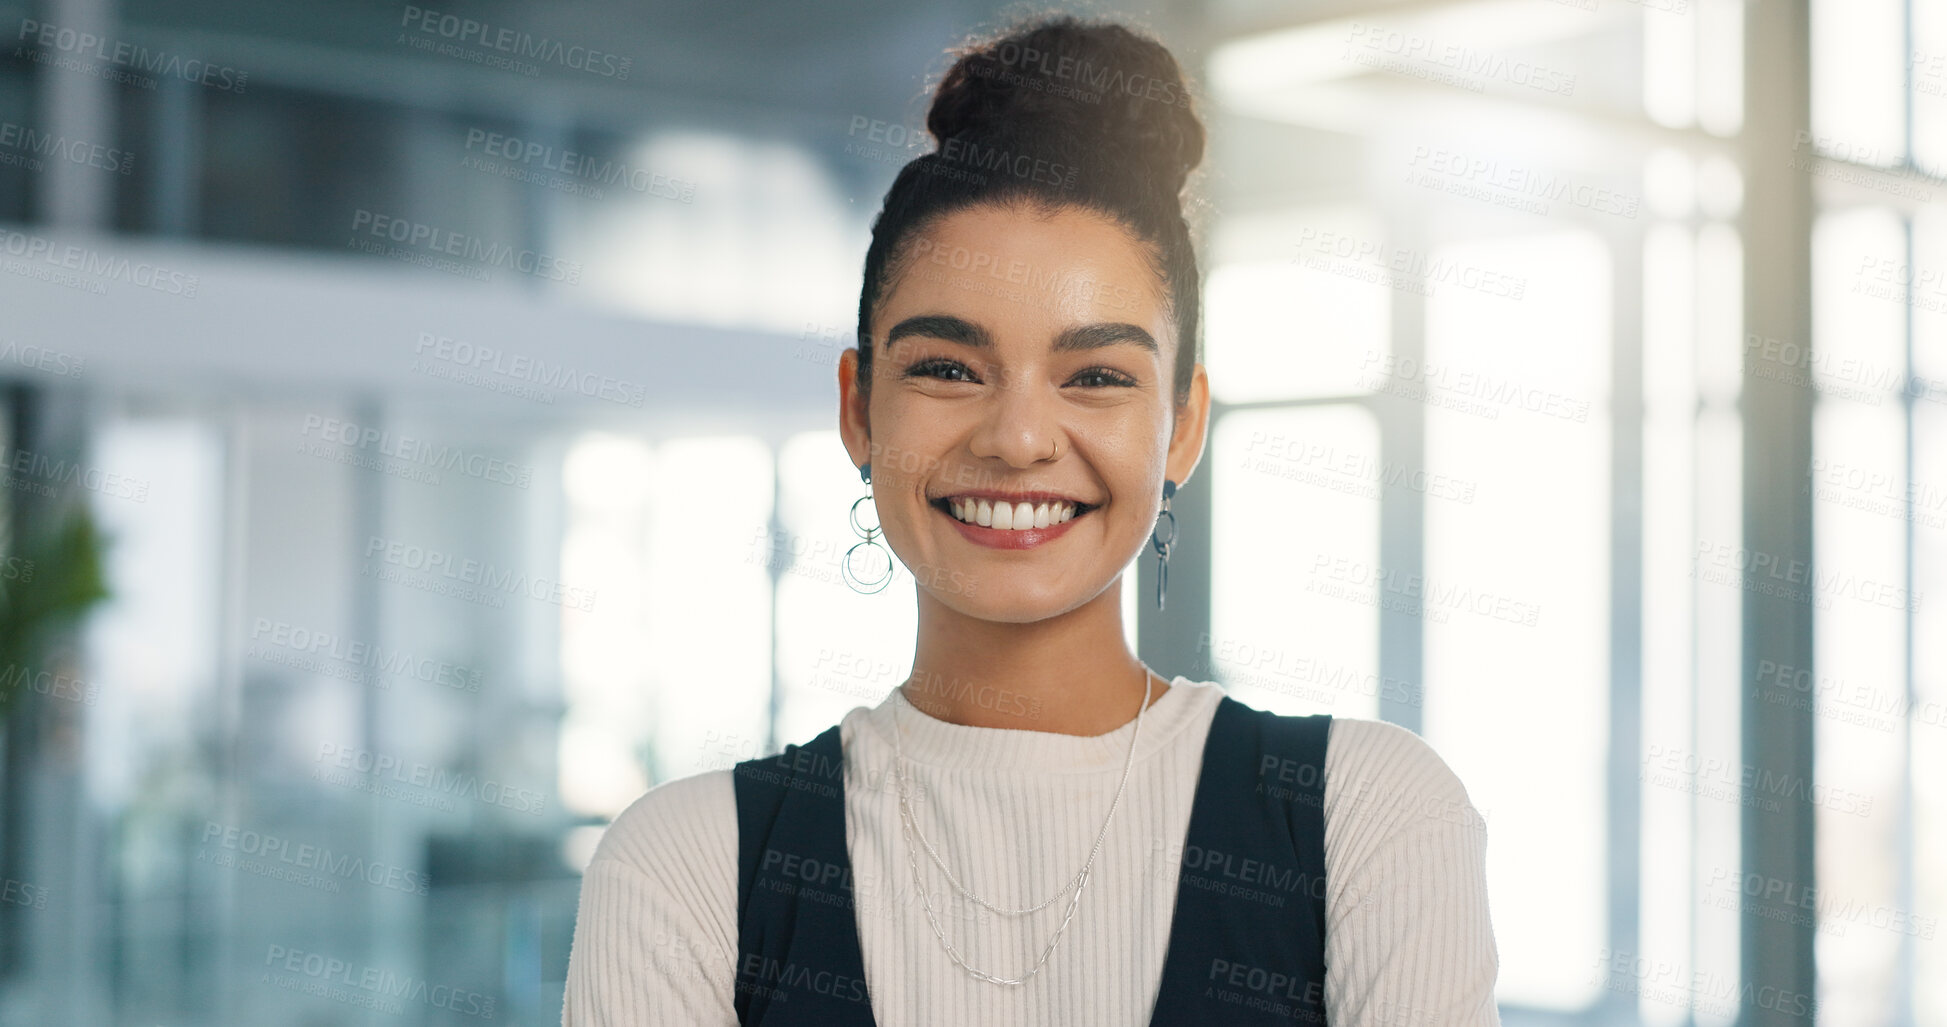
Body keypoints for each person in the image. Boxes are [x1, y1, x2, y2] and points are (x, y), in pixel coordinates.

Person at [562, 13, 1500, 1026]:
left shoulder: (1358, 817)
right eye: (947, 369)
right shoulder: (690, 865)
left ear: (1182, 426)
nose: (1017, 437)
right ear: (857, 408)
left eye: (1095, 375)